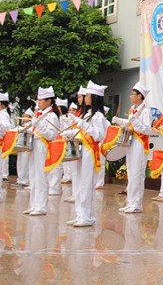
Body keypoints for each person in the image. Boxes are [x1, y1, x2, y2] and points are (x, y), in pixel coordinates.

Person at [63, 80, 109, 227]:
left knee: (87, 183)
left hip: (90, 151)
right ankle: (79, 214)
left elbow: (99, 135)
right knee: (78, 183)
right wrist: (68, 133)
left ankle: (87, 216)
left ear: (94, 98)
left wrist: (83, 124)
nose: (85, 98)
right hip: (81, 149)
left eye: (88, 95)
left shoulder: (99, 116)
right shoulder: (87, 114)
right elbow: (80, 132)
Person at [112, 82, 151, 213]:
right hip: (131, 142)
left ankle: (137, 204)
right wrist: (118, 121)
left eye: (132, 94)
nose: (130, 96)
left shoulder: (145, 111)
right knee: (131, 173)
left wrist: (134, 121)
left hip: (140, 143)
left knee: (137, 174)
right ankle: (130, 202)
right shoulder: (132, 109)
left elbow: (146, 129)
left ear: (139, 96)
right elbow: (130, 124)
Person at [24, 87, 59, 216]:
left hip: (43, 146)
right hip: (35, 144)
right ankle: (33, 204)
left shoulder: (52, 116)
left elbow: (51, 135)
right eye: (38, 100)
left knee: (40, 176)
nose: (38, 102)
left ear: (49, 101)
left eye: (41, 100)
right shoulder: (40, 114)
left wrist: (38, 124)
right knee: (33, 176)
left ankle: (41, 206)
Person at [45, 98, 68, 196]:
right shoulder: (55, 117)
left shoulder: (64, 118)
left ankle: (55, 188)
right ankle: (50, 186)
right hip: (53, 142)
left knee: (56, 166)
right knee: (51, 165)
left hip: (60, 142)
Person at [14, 107, 33, 188]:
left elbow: (30, 132)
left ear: (30, 117)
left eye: (26, 116)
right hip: (20, 145)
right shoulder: (23, 125)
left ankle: (25, 180)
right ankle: (20, 179)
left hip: (27, 146)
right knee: (20, 163)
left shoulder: (31, 125)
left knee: (25, 163)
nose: (24, 117)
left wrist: (21, 129)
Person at [61, 102, 78, 185]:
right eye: (70, 110)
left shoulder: (78, 120)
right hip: (66, 140)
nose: (71, 112)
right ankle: (66, 175)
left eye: (73, 110)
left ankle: (70, 177)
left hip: (75, 142)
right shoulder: (66, 119)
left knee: (72, 160)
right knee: (65, 159)